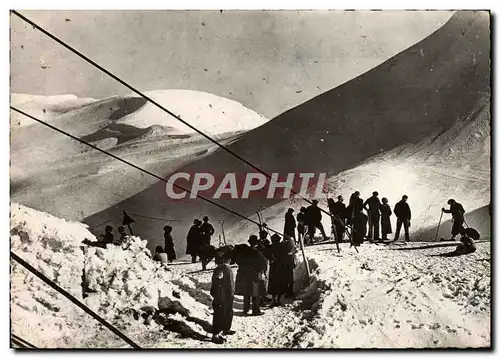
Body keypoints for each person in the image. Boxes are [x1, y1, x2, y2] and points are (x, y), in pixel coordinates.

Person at [210, 250, 235, 344]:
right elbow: (217, 284)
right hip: (222, 296)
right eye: (228, 258)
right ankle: (215, 335)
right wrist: (219, 295)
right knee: (219, 315)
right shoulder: (221, 269)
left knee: (227, 313)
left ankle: (225, 329)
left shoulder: (226, 268)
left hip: (228, 295)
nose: (230, 260)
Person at [245, 235, 268, 315]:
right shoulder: (257, 252)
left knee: (248, 291)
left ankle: (246, 309)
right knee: (256, 292)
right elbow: (264, 262)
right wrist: (261, 269)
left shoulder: (246, 251)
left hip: (247, 273)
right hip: (256, 274)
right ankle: (256, 310)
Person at [267, 234, 286, 307]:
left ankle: (274, 300)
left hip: (274, 267)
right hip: (281, 267)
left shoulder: (270, 247)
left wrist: (271, 259)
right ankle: (278, 299)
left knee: (273, 284)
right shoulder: (282, 246)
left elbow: (266, 253)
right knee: (279, 283)